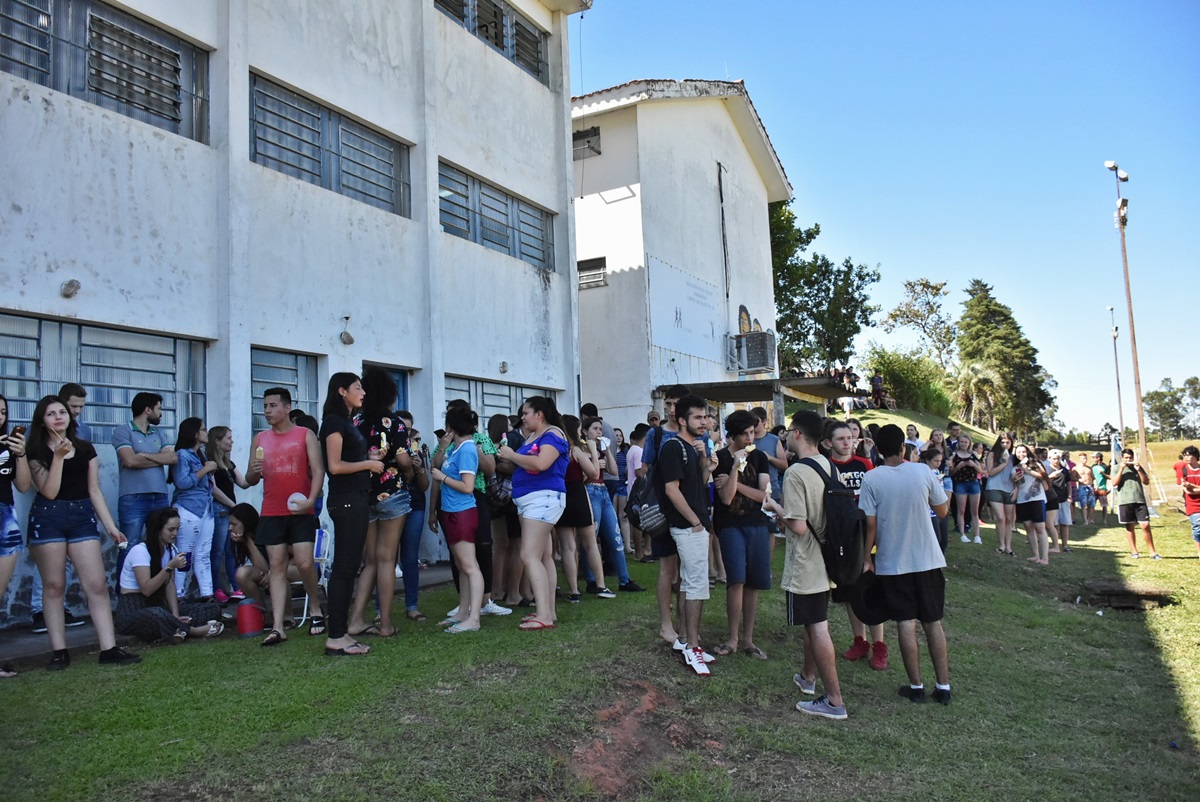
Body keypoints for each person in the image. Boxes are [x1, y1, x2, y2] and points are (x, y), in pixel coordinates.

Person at [26, 395, 140, 668]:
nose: (58, 417)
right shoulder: (36, 451)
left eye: (62, 412)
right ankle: (59, 651)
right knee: (54, 586)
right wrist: (58, 457)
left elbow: (94, 490)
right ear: (42, 420)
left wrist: (111, 527)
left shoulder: (86, 448)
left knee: (97, 585)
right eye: (51, 413)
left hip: (81, 517)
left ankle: (109, 649)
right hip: (48, 517)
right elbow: (49, 491)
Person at [859, 424, 951, 705]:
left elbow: (870, 524)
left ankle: (916, 686)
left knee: (905, 623)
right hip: (927, 558)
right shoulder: (922, 471)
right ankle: (943, 686)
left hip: (893, 562)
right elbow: (942, 510)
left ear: (878, 449)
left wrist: (866, 558)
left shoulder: (871, 478)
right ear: (903, 447)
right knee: (933, 622)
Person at [245, 387, 326, 647]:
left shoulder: (304, 434)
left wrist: (311, 501)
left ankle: (315, 607)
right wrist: (254, 471)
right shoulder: (260, 439)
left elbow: (318, 470)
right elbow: (250, 479)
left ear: (287, 407)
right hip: (271, 510)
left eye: (272, 405)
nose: (267, 411)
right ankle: (278, 626)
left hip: (300, 509)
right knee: (276, 566)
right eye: (265, 406)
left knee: (304, 563)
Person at [782, 411, 848, 720]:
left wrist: (775, 508)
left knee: (817, 626)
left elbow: (797, 525)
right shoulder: (829, 465)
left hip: (807, 560)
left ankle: (834, 701)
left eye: (788, 430)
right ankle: (807, 678)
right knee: (814, 620)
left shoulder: (796, 472)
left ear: (797, 433)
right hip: (828, 557)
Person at [319, 373, 383, 656]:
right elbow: (334, 466)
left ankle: (341, 632)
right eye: (358, 387)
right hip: (346, 500)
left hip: (354, 498)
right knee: (344, 569)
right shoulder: (334, 421)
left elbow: (348, 459)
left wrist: (369, 459)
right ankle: (336, 636)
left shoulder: (347, 422)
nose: (363, 392)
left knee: (349, 568)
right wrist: (367, 464)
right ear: (342, 391)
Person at [346, 368, 413, 638]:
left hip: (364, 494)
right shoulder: (395, 423)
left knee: (370, 561)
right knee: (387, 560)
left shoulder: (354, 421)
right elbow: (404, 459)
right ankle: (385, 625)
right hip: (392, 493)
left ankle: (355, 620)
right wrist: (411, 468)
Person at [656, 394, 716, 676]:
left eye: (705, 417)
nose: (704, 422)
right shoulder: (673, 447)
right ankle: (693, 647)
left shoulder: (691, 447)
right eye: (697, 417)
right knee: (696, 586)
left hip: (693, 524)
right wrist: (695, 522)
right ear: (682, 420)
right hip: (687, 526)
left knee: (689, 583)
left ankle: (684, 641)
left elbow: (695, 485)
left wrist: (706, 464)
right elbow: (672, 490)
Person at [498, 396, 569, 631]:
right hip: (533, 501)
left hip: (543, 499)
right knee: (543, 556)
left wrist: (511, 455)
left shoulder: (553, 434)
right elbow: (526, 464)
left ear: (539, 414)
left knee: (528, 555)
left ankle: (544, 615)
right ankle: (548, 610)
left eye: (526, 413)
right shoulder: (534, 436)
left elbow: (541, 464)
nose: (522, 418)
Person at [711, 409, 776, 660]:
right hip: (729, 525)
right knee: (736, 580)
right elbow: (726, 499)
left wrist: (736, 484)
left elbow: (765, 497)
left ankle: (748, 638)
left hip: (757, 524)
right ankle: (732, 639)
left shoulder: (759, 457)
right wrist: (735, 467)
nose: (750, 438)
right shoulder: (719, 458)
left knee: (753, 583)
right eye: (746, 434)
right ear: (733, 435)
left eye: (752, 432)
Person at [822, 420, 887, 670]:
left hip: (866, 534)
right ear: (828, 443)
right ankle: (860, 641)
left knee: (870, 589)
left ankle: (879, 645)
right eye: (841, 439)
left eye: (850, 438)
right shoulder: (826, 467)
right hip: (841, 537)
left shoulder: (864, 464)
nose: (847, 442)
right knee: (849, 590)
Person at [115, 506, 223, 642]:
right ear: (158, 529)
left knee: (212, 608)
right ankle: (194, 631)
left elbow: (169, 584)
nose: (175, 533)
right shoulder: (140, 551)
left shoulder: (170, 550)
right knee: (157, 613)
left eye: (177, 529)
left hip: (159, 606)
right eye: (171, 530)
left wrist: (175, 615)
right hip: (134, 609)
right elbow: (147, 590)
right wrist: (169, 566)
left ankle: (176, 628)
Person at [637, 384, 690, 645]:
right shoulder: (655, 434)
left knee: (687, 570)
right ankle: (666, 625)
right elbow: (645, 468)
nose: (670, 409)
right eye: (667, 403)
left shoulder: (696, 433)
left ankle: (685, 623)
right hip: (662, 508)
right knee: (667, 568)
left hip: (689, 508)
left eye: (675, 404)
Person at [430, 405, 484, 633]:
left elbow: (468, 486)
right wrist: (442, 448)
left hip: (462, 513)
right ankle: (463, 612)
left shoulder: (467, 449)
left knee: (470, 566)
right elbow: (436, 465)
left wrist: (443, 478)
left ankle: (474, 618)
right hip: (451, 512)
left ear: (452, 427)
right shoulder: (455, 448)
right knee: (462, 565)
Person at [111, 392, 178, 574]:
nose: (161, 413)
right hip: (133, 498)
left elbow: (172, 458)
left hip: (160, 497)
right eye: (159, 408)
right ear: (148, 410)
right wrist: (159, 458)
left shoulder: (159, 433)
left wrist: (144, 455)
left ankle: (157, 588)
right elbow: (130, 461)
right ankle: (125, 591)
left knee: (161, 545)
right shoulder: (123, 431)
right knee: (129, 546)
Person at [556, 415, 613, 603]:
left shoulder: (557, 451)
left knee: (567, 546)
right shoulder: (575, 451)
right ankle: (601, 585)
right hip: (578, 495)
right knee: (590, 542)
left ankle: (573, 591)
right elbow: (594, 473)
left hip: (562, 495)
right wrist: (594, 453)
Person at [583, 416, 642, 593]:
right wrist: (595, 460)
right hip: (591, 491)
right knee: (590, 538)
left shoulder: (599, 449)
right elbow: (584, 476)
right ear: (585, 431)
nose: (599, 432)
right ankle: (591, 580)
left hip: (603, 492)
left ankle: (624, 579)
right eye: (594, 429)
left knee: (616, 536)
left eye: (600, 429)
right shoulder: (582, 450)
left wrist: (607, 450)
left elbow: (614, 471)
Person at [0, 395, 32, 677]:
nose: (0, 417)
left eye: (2, 412)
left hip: (6, 517)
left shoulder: (8, 446)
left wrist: (20, 454)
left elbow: (23, 485)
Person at [170, 417, 218, 600]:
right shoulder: (183, 454)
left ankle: (207, 594)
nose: (207, 432)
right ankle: (178, 596)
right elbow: (182, 482)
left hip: (205, 508)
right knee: (184, 555)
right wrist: (205, 470)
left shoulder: (201, 454)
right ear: (195, 433)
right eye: (203, 429)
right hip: (188, 508)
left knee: (203, 554)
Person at [207, 426, 251, 602]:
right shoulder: (210, 462)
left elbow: (244, 483)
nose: (232, 441)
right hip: (220, 510)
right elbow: (213, 489)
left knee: (231, 550)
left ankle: (236, 588)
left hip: (230, 511)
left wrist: (256, 471)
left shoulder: (228, 463)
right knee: (217, 552)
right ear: (217, 441)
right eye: (228, 438)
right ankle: (215, 589)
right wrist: (233, 506)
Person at [397, 411, 431, 619]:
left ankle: (412, 606)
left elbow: (425, 486)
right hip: (392, 506)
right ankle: (380, 610)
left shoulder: (417, 450)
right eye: (403, 428)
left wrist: (418, 469)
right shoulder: (387, 447)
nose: (406, 433)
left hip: (415, 505)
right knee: (386, 558)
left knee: (410, 557)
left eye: (409, 429)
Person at [1114, 448, 1159, 559]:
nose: (1128, 460)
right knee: (1130, 526)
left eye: (1130, 458)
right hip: (1125, 501)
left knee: (1145, 525)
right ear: (1122, 458)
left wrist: (1139, 470)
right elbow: (1114, 483)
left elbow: (1146, 482)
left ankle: (1152, 552)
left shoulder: (1137, 467)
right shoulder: (1116, 468)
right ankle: (1134, 551)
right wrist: (1121, 469)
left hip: (1139, 500)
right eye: (1126, 458)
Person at [1012, 443, 1050, 565]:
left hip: (1037, 498)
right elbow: (1016, 483)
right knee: (1028, 528)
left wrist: (1027, 469)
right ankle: (1035, 555)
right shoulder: (1014, 467)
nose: (1021, 454)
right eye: (1018, 452)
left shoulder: (1035, 464)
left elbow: (1042, 476)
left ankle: (1045, 558)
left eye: (1023, 451)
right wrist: (1015, 479)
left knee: (1040, 528)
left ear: (1027, 452)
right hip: (1022, 500)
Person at [985, 433, 1017, 555]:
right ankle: (1001, 545)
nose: (1005, 445)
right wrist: (1004, 463)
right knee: (1000, 517)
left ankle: (1008, 546)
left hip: (1009, 489)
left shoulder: (1014, 457)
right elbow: (990, 472)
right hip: (994, 487)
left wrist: (1017, 488)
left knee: (1009, 519)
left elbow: (1018, 474)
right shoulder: (992, 454)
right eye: (1002, 442)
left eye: (1007, 442)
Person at [948, 434, 983, 543]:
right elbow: (951, 471)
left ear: (969, 444)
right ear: (959, 443)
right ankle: (962, 534)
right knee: (961, 510)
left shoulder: (973, 455)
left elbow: (980, 470)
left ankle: (977, 536)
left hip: (973, 483)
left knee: (975, 511)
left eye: (965, 442)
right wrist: (958, 466)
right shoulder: (954, 455)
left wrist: (973, 465)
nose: (963, 444)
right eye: (961, 442)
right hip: (960, 484)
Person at [1047, 450, 1073, 553]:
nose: (1056, 461)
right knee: (1054, 524)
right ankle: (1055, 545)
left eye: (1058, 458)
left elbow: (1068, 483)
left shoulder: (1064, 470)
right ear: (1049, 459)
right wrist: (1050, 477)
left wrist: (1069, 495)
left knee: (1065, 523)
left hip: (1064, 499)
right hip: (1052, 500)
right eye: (1054, 459)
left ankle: (1065, 545)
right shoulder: (1046, 470)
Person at [1178, 446, 1200, 564]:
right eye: (1184, 455)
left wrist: (1192, 486)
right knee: (1197, 528)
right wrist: (1192, 488)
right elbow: (1187, 491)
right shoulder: (1183, 470)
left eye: (1188, 455)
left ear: (1196, 456)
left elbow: (1190, 488)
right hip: (1192, 504)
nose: (1186, 458)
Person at [1074, 452, 1096, 526]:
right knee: (1083, 504)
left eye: (1086, 458)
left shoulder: (1089, 468)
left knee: (1092, 504)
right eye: (1083, 458)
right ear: (1080, 459)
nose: (1085, 460)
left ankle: (1089, 519)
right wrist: (1078, 479)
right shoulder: (1076, 468)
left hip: (1090, 486)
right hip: (1082, 487)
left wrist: (1095, 485)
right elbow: (1072, 477)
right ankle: (1085, 520)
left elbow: (1093, 477)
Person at [1092, 451, 1111, 525]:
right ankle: (1092, 519)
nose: (1093, 459)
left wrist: (1103, 473)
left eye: (1094, 457)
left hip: (1102, 488)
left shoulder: (1105, 467)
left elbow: (1109, 477)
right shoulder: (1093, 466)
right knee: (1092, 504)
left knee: (1104, 505)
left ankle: (1105, 520)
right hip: (1094, 488)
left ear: (1098, 458)